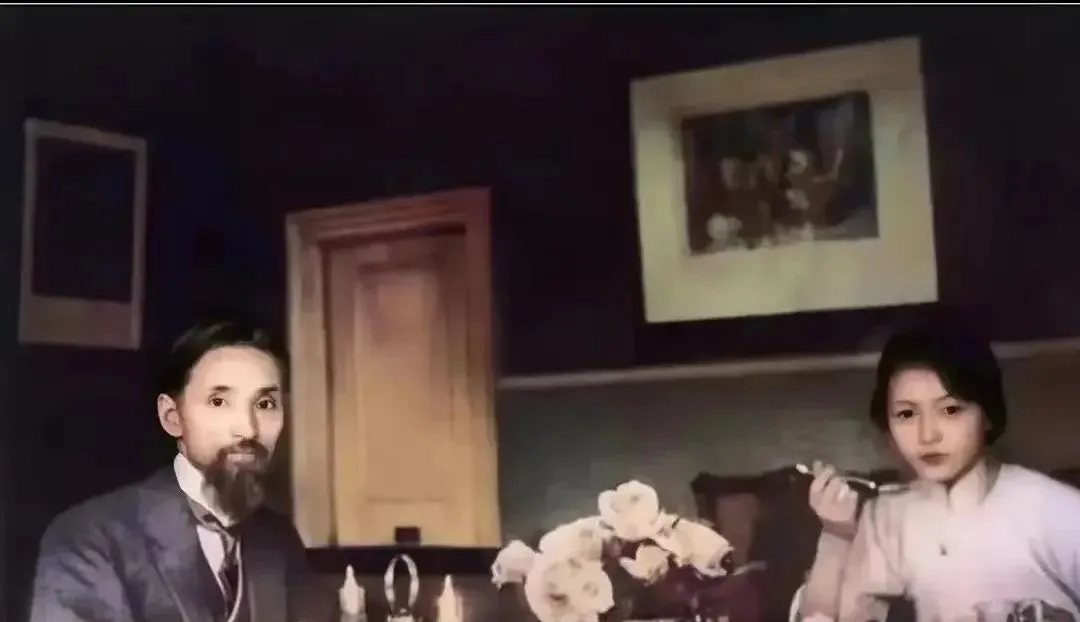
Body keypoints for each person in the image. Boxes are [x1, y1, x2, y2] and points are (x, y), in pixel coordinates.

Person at [29, 319, 309, 622]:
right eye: (219, 401)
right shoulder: (90, 537)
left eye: (265, 404)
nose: (248, 429)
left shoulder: (280, 540)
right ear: (172, 417)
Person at [798, 323, 1080, 622]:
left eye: (950, 410)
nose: (928, 435)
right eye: (907, 414)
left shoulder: (1055, 511)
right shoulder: (885, 517)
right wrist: (836, 536)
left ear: (986, 414)